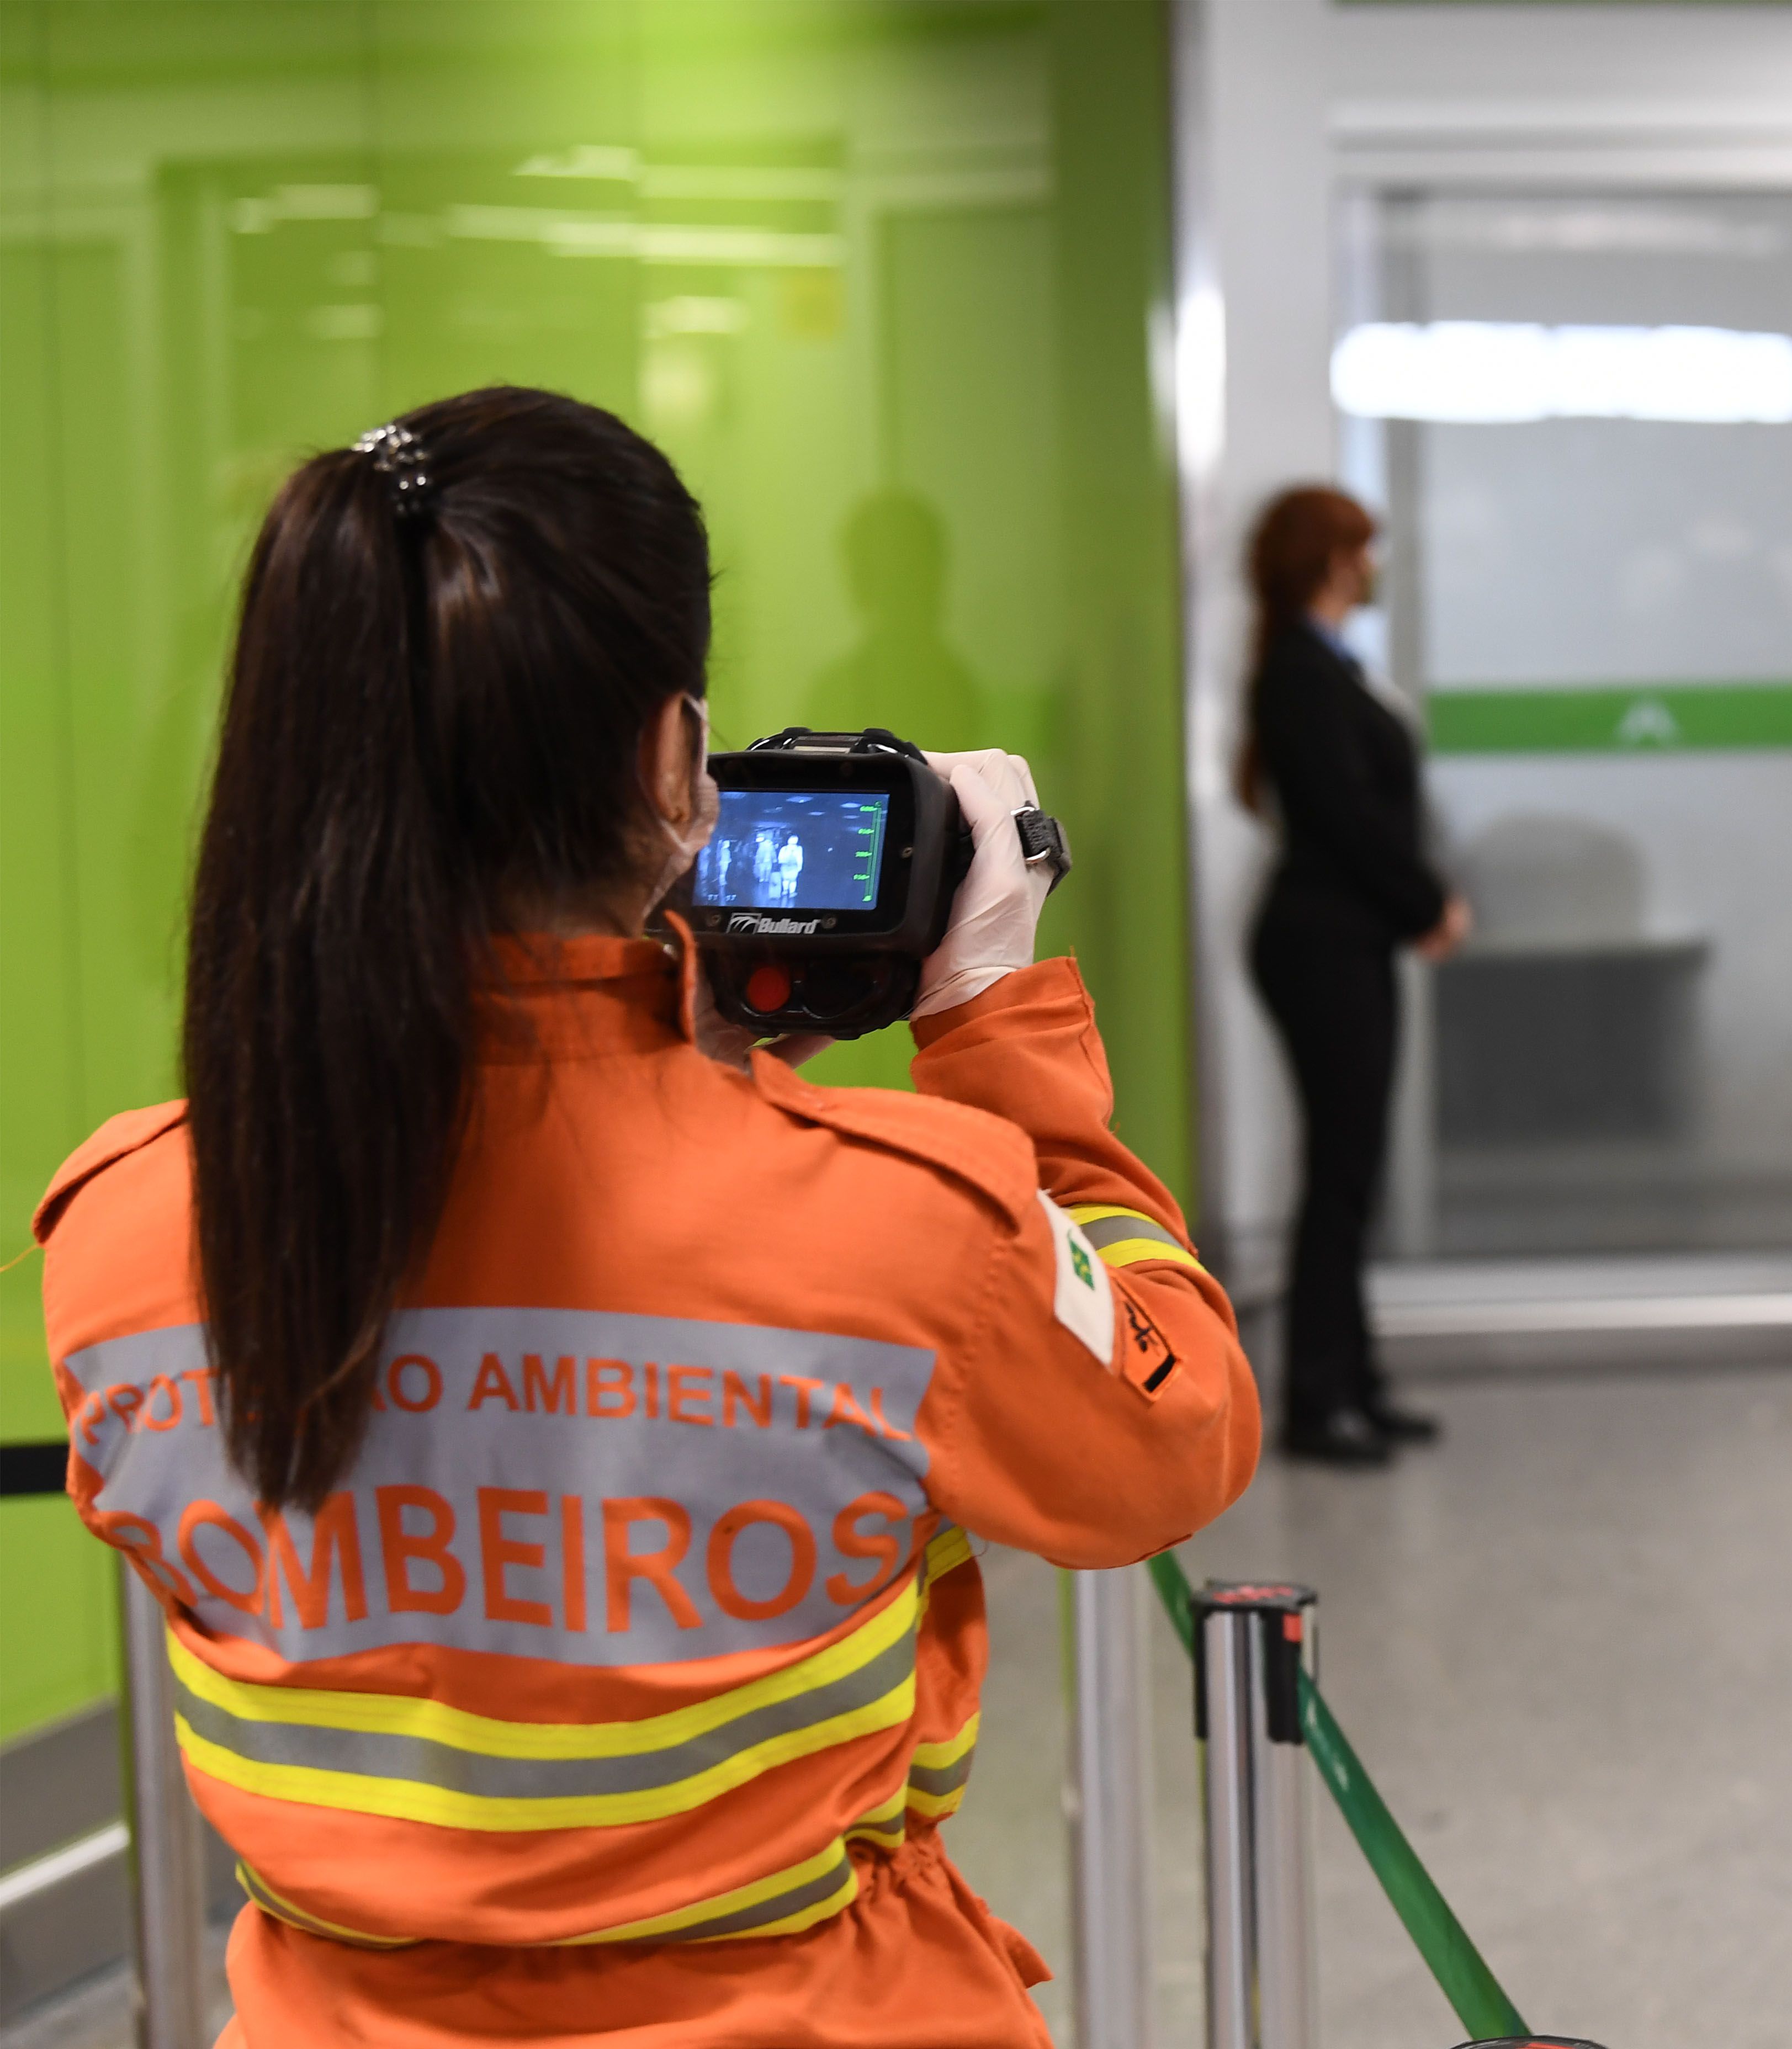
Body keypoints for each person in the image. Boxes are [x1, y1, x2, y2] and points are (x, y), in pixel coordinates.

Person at [37, 387, 1258, 2043]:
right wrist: (992, 1020)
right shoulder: (895, 1228)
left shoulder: (124, 1222)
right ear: (673, 758)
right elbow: (1170, 1439)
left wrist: (667, 1067)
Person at [1242, 485, 1468, 1467]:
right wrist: (1430, 903)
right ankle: (1315, 1398)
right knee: (1340, 1173)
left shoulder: (1323, 665)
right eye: (1363, 548)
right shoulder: (1298, 670)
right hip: (1321, 945)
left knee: (1353, 1168)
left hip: (1346, 940)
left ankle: (1357, 1383)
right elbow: (1345, 814)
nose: (1375, 564)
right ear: (1332, 558)